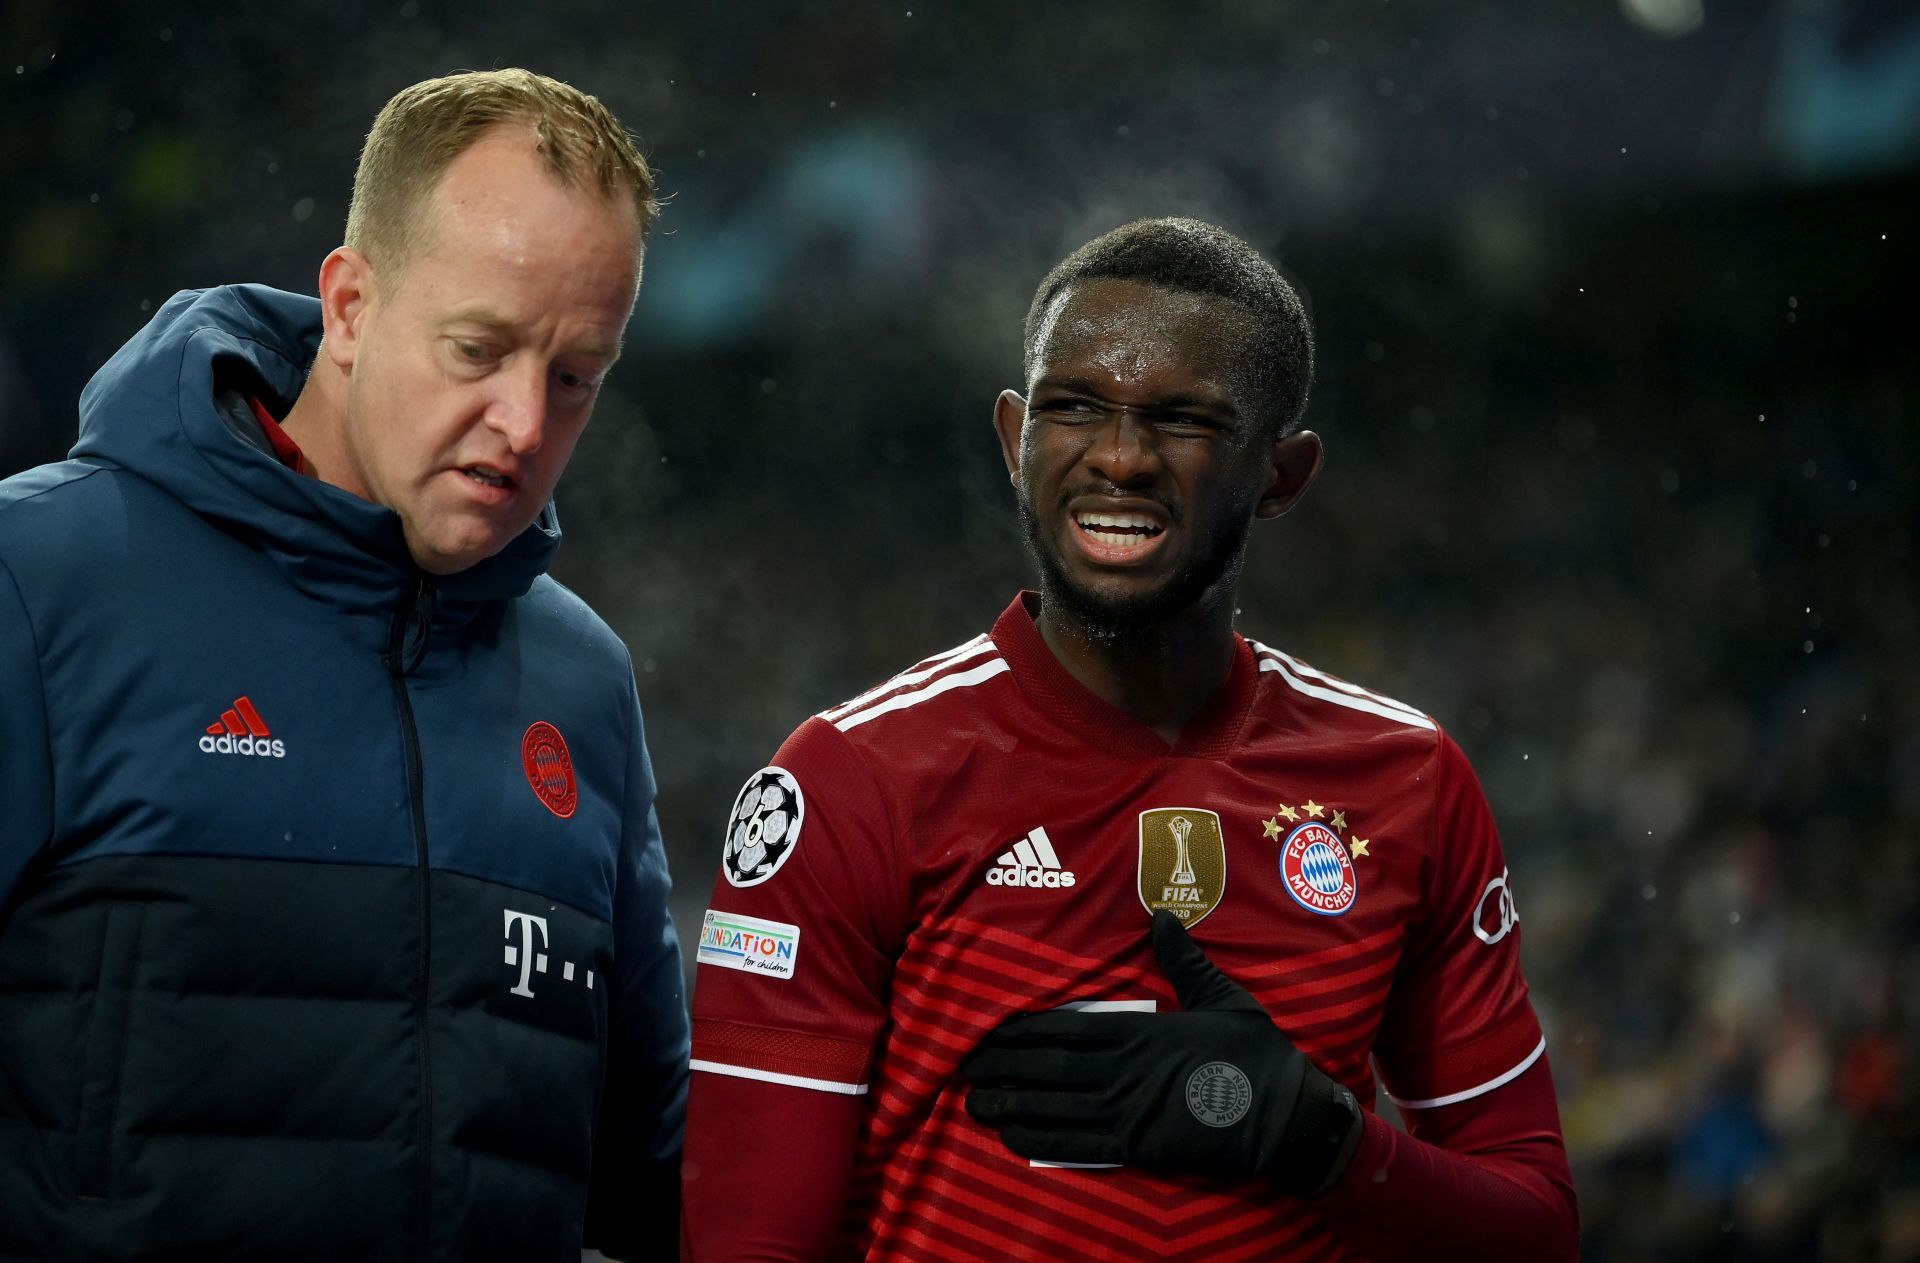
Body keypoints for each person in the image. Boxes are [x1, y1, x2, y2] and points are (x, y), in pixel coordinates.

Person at [682, 218, 1578, 1261]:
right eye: (1073, 409)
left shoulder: (1405, 780)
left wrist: (1311, 1135)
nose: (1118, 457)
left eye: (1185, 421)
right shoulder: (847, 783)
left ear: (1282, 475)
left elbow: (1537, 1231)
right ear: (1015, 440)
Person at [0, 69, 687, 1261]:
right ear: (353, 305)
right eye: (479, 349)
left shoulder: (585, 685)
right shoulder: (37, 581)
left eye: (576, 378)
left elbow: (657, 1176)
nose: (526, 425)